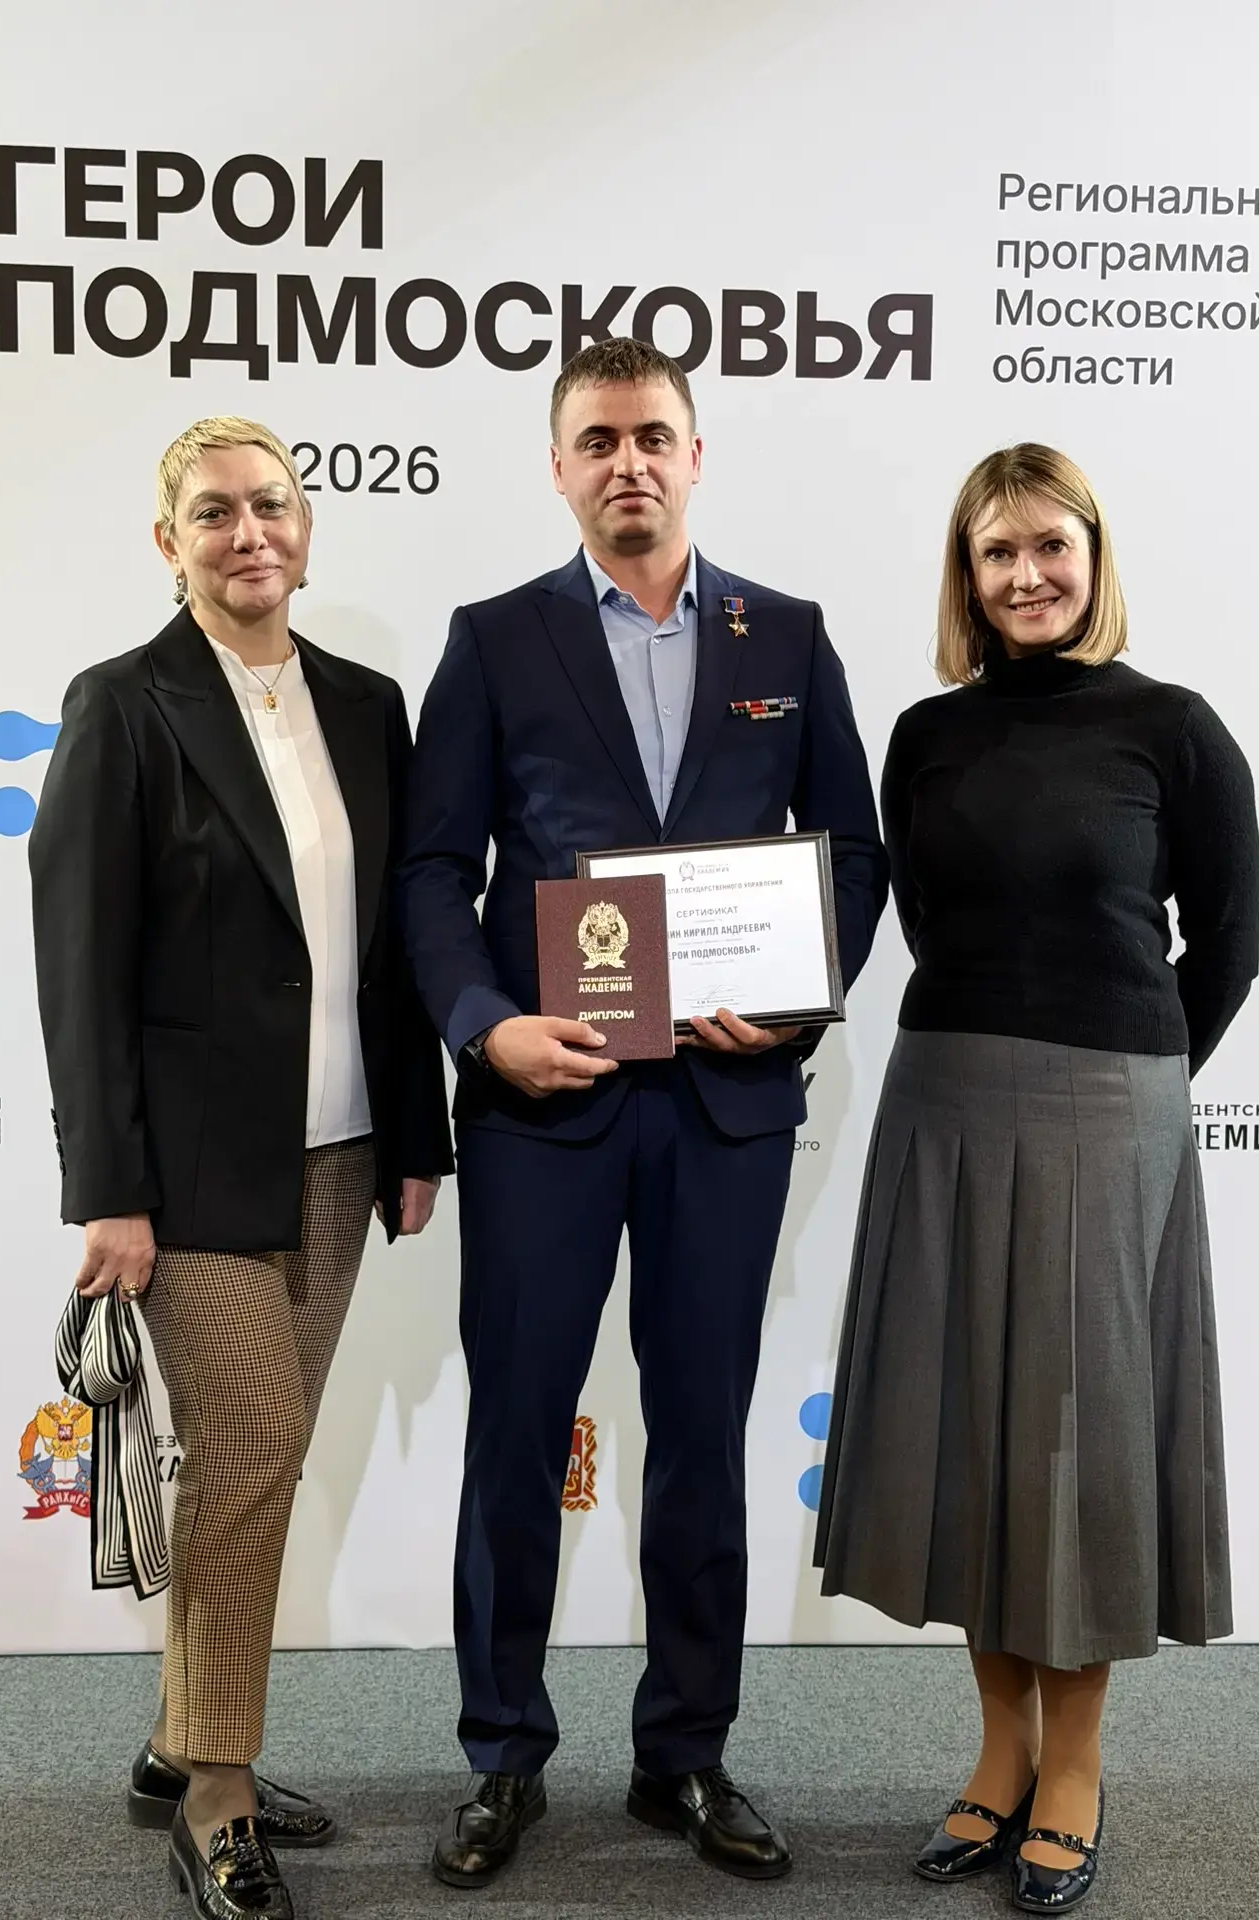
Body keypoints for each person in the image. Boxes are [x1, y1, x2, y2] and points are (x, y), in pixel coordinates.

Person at [400, 338, 887, 1887]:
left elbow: (852, 852)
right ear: (559, 466)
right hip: (544, 1107)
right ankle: (502, 1756)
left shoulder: (787, 635)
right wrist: (486, 1024)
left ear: (695, 454)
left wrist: (798, 1000)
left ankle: (686, 1752)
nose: (629, 462)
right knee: (516, 1438)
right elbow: (434, 871)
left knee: (700, 1438)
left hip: (727, 1110)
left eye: (653, 435)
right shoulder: (495, 640)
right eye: (599, 438)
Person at [815, 443, 1259, 1913]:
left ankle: (1074, 1762)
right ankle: (998, 1750)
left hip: (1106, 1108)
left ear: (1093, 554)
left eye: (1049, 546)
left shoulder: (1176, 729)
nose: (1026, 576)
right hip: (943, 1094)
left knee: (1077, 1443)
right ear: (967, 573)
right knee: (970, 1428)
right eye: (997, 552)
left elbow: (1229, 949)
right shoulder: (924, 735)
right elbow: (917, 917)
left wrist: (1130, 1081)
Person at [29, 416, 452, 1920]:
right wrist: (110, 1190)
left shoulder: (368, 706)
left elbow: (396, 945)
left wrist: (418, 1133)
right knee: (251, 1451)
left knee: (250, 1465)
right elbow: (81, 968)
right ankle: (218, 1785)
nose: (248, 533)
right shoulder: (121, 705)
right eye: (213, 513)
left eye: (271, 505)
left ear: (308, 527)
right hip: (193, 1175)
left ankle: (179, 1740)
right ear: (171, 543)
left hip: (339, 1159)